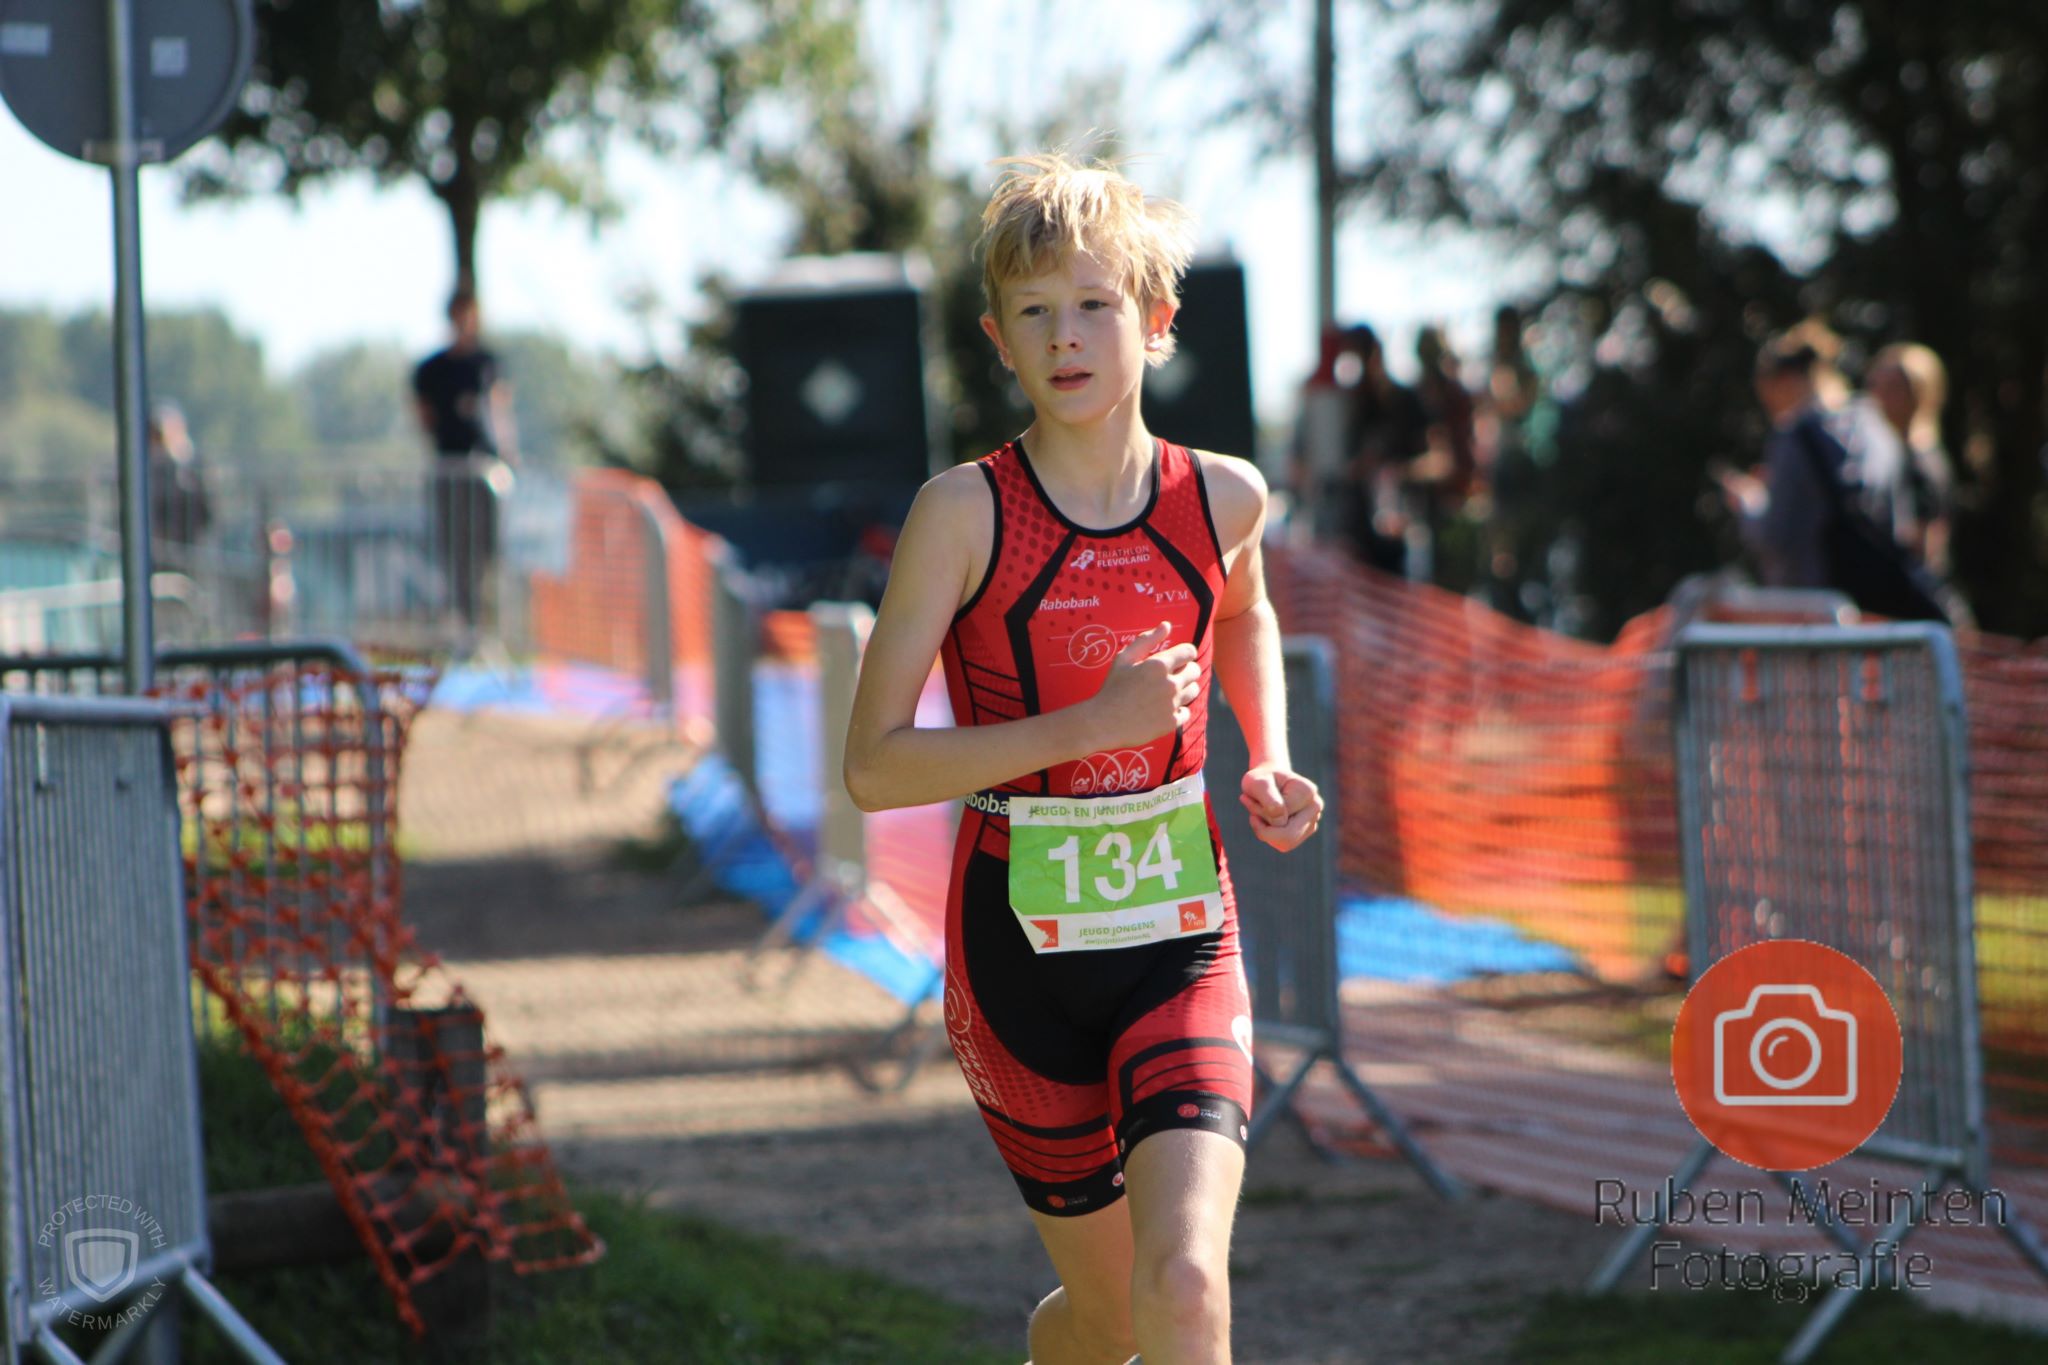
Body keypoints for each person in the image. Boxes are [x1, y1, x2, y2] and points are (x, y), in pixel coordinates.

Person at [843, 152, 1324, 1365]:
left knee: (1184, 1287)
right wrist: (1084, 729)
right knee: (1106, 1321)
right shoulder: (961, 515)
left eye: (1094, 304)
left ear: (1155, 321)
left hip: (1180, 939)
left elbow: (1243, 610)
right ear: (998, 343)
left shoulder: (1224, 499)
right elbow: (873, 770)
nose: (1065, 336)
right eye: (1033, 312)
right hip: (1016, 965)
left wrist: (1266, 753)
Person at [412, 285, 517, 633]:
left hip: (486, 472)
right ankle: (461, 624)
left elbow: (501, 412)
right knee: (455, 550)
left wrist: (509, 455)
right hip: (450, 471)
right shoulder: (431, 369)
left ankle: (486, 624)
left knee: (486, 550)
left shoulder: (488, 364)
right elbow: (425, 417)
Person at [1343, 323, 1430, 576]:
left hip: (1404, 532)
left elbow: (1439, 459)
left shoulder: (1407, 400)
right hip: (1360, 538)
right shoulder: (1355, 408)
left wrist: (1398, 472)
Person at [145, 401, 212, 566]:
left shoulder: (193, 464)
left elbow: (205, 509)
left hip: (188, 549)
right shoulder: (147, 466)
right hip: (156, 550)